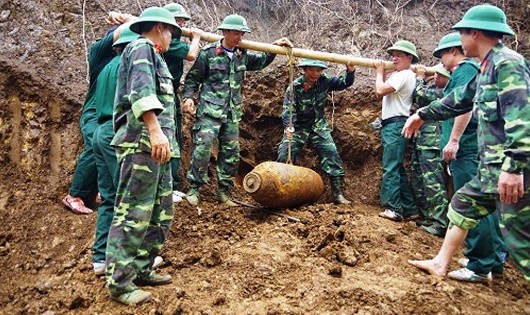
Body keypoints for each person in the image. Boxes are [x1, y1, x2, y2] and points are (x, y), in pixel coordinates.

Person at [403, 4, 530, 282]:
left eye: (461, 33)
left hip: (510, 170)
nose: (460, 40)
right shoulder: (486, 67)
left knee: (522, 243)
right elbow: (459, 99)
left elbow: (521, 118)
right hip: (491, 169)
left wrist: (514, 167)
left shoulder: (508, 63)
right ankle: (440, 263)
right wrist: (422, 114)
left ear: (474, 32)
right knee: (462, 204)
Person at [104, 7, 181, 305]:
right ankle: (120, 284)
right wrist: (155, 130)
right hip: (141, 144)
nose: (173, 36)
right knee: (133, 212)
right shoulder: (140, 48)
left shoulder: (155, 55)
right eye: (172, 30)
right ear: (160, 27)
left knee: (160, 212)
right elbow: (141, 92)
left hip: (157, 149)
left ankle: (142, 268)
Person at [181, 14, 293, 206]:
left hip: (232, 113)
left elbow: (261, 63)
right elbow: (193, 78)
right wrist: (189, 98)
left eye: (242, 33)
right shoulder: (209, 53)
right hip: (209, 111)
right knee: (203, 149)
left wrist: (274, 48)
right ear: (225, 32)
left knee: (231, 153)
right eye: (236, 33)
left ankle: (223, 192)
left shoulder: (243, 54)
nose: (240, 36)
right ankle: (194, 189)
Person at [434, 32, 508, 282]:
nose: (442, 61)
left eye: (442, 54)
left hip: (468, 150)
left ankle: (480, 262)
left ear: (453, 51)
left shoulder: (465, 70)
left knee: (469, 205)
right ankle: (491, 259)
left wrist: (453, 141)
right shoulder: (481, 69)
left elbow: (463, 108)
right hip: (477, 151)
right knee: (482, 203)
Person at [62, 11, 135, 215]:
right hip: (95, 112)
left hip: (113, 112)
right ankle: (74, 194)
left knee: (111, 145)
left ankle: (104, 192)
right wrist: (132, 21)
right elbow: (120, 33)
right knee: (98, 144)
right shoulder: (99, 55)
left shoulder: (126, 60)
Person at [276, 58, 355, 204]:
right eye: (311, 70)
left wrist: (350, 71)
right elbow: (288, 110)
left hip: (318, 126)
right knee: (286, 151)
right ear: (304, 70)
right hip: (298, 127)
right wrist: (289, 127)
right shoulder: (295, 87)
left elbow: (345, 83)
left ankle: (338, 195)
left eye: (318, 70)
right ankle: (281, 191)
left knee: (331, 152)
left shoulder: (325, 82)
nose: (315, 73)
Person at [373, 40, 419, 222]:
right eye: (393, 55)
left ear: (410, 58)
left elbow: (380, 90)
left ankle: (393, 208)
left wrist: (379, 73)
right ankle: (409, 208)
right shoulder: (401, 75)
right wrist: (384, 73)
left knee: (390, 167)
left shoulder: (405, 74)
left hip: (395, 125)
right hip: (393, 125)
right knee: (396, 167)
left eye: (399, 55)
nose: (394, 58)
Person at [163, 3, 203, 203]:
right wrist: (195, 38)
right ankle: (165, 187)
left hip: (172, 91)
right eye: (177, 21)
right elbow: (191, 54)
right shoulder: (167, 40)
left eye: (183, 22)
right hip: (163, 92)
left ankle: (172, 184)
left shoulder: (173, 39)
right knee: (166, 138)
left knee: (175, 137)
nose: (180, 24)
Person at [411, 63, 450, 236]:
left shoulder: (446, 93)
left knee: (433, 182)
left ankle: (440, 222)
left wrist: (419, 78)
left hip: (433, 143)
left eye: (441, 75)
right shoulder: (436, 88)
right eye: (435, 74)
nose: (436, 77)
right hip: (423, 140)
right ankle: (428, 216)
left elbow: (420, 94)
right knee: (420, 181)